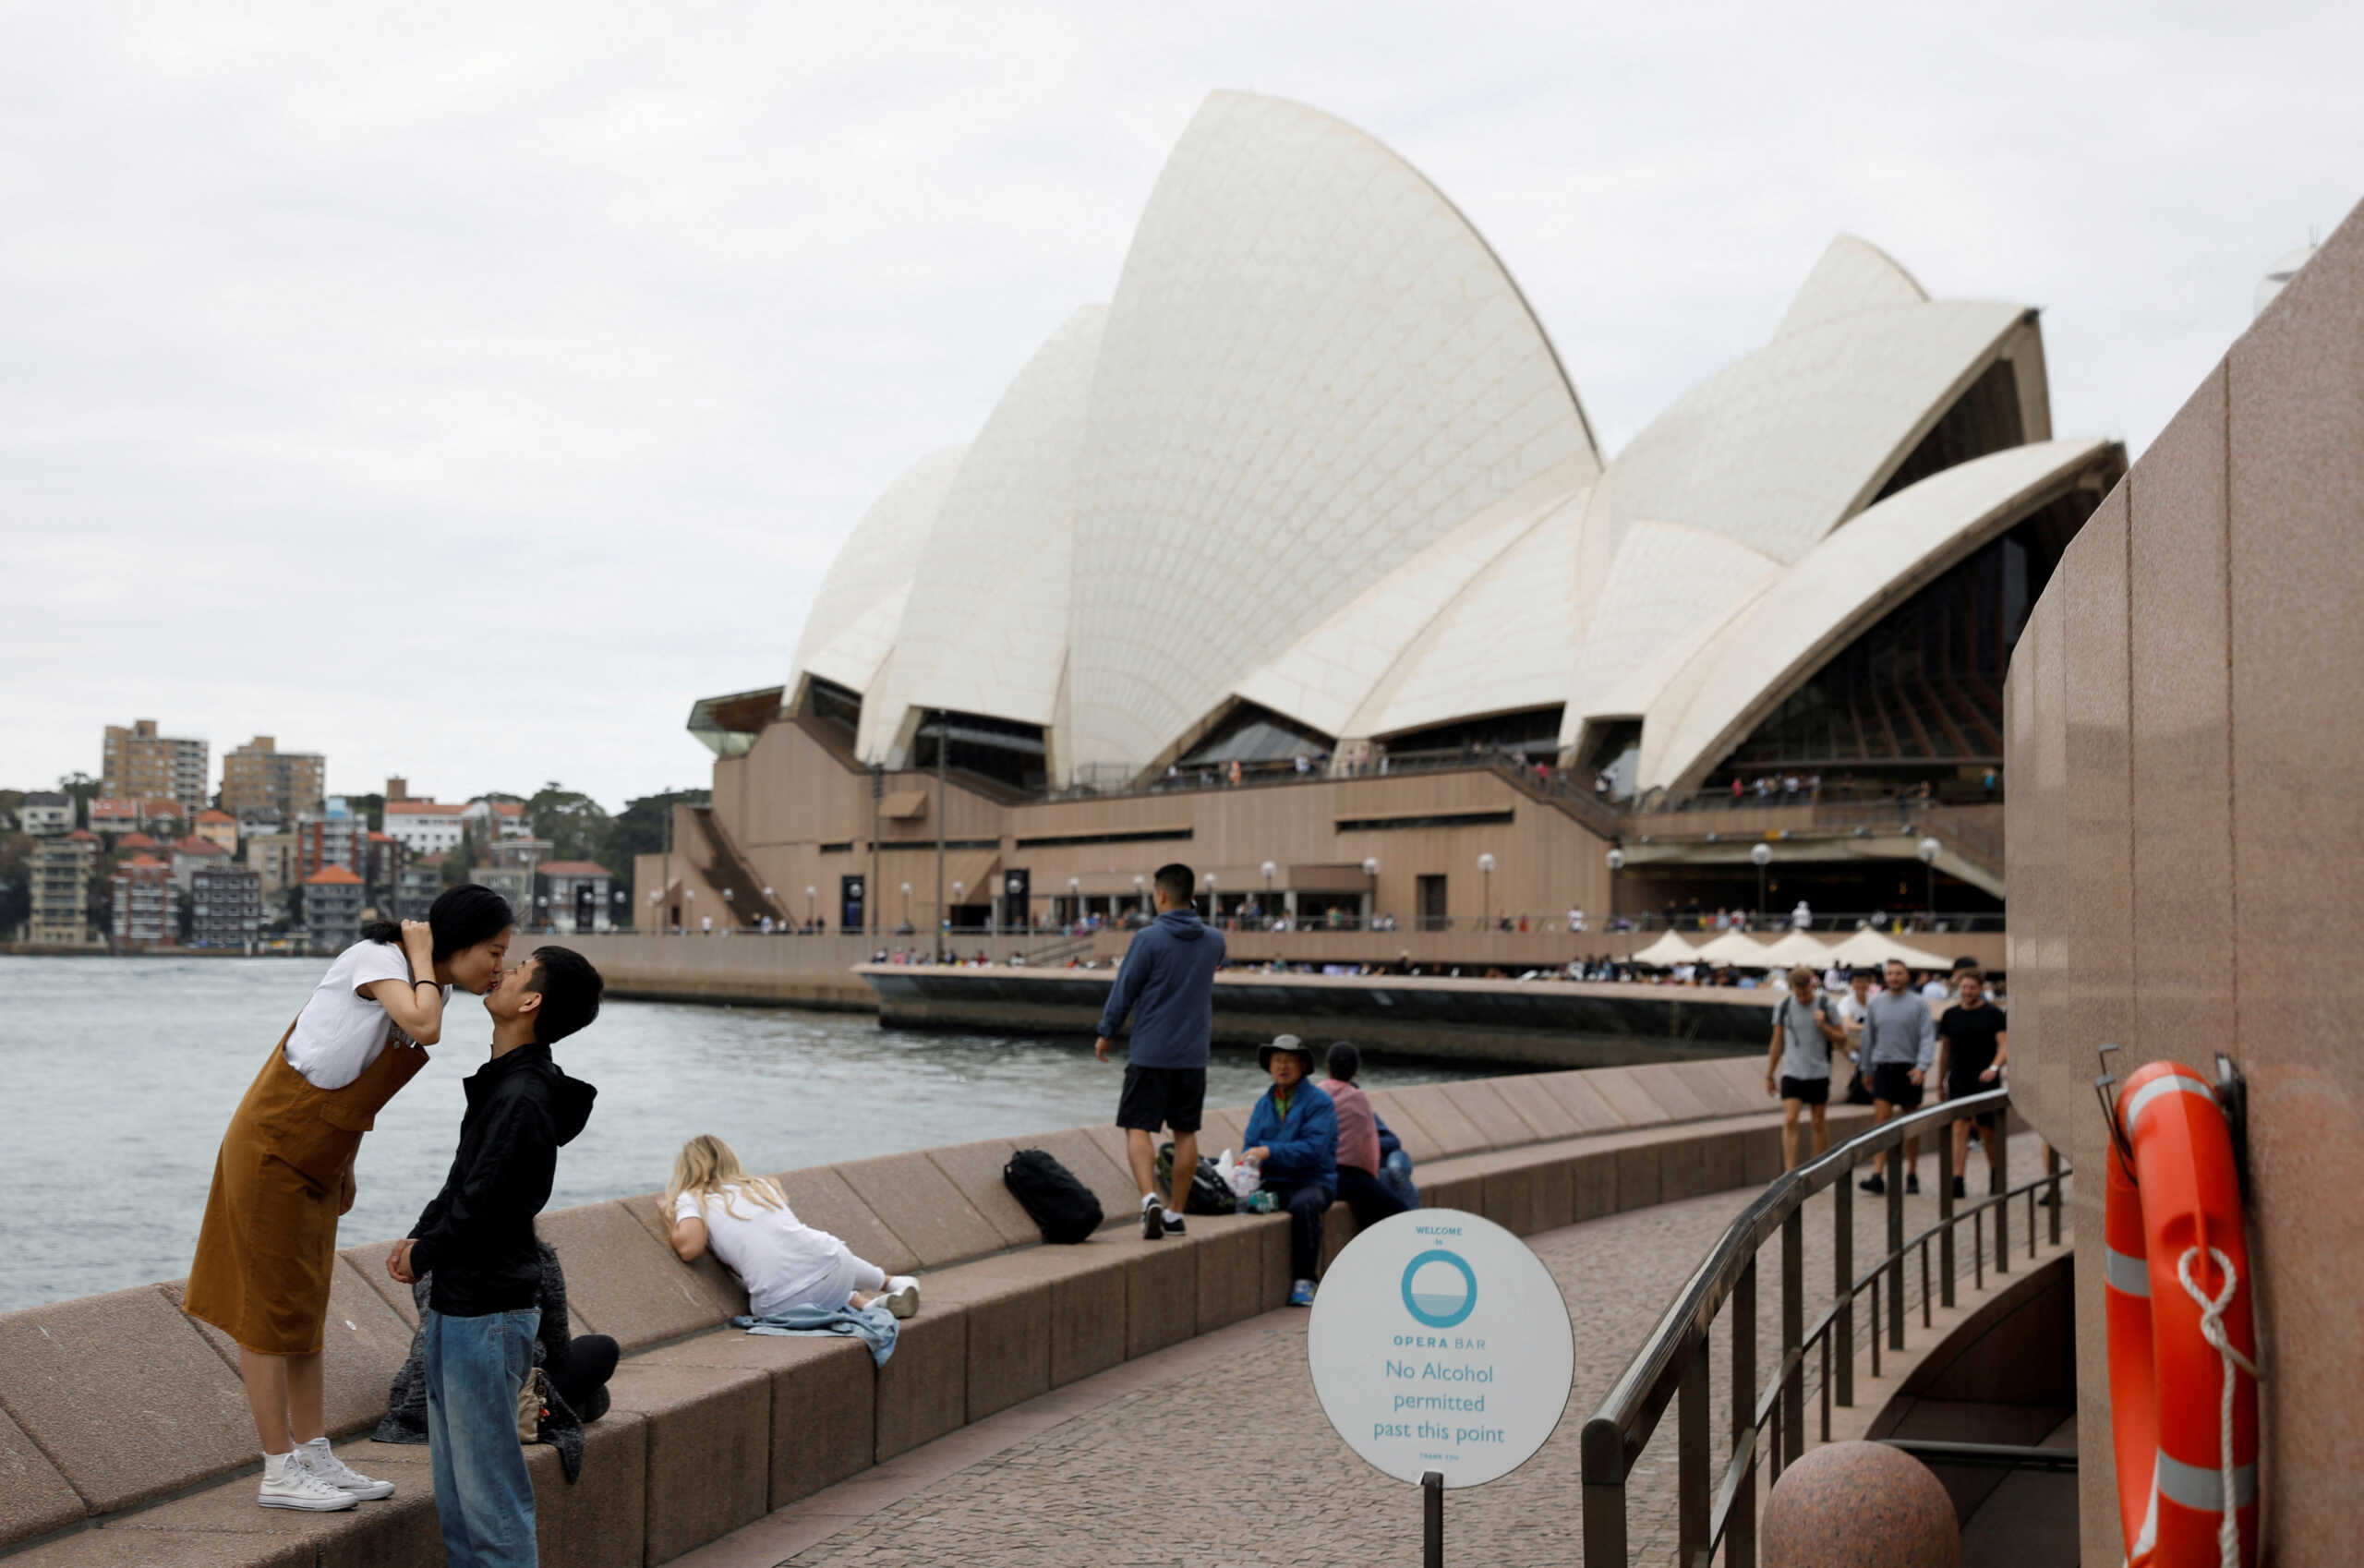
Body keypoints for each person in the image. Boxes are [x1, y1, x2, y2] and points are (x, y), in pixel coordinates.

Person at [183, 886, 515, 1513]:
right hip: (273, 1145)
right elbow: (424, 1030)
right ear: (459, 941)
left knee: (305, 1308)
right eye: (494, 951)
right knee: (267, 1310)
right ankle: (278, 1469)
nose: (498, 966)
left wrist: (346, 1158)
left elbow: (354, 1069)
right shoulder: (378, 961)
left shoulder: (426, 984)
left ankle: (312, 1452)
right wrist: (420, 956)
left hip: (319, 1152)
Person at [385, 947, 605, 1568]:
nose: (502, 972)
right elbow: (467, 1181)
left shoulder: (522, 1097)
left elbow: (489, 1201)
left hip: (487, 1310)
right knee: (459, 1493)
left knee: (488, 1497)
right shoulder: (508, 1083)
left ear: (530, 1001)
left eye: (518, 970)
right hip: (467, 1303)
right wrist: (423, 1236)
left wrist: (428, 1247)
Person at [376, 1238, 620, 1484]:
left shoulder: (431, 1256)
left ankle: (579, 1402)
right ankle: (581, 1404)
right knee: (601, 1351)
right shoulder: (534, 1254)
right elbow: (558, 1346)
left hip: (425, 1406)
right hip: (496, 1402)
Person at [1094, 862, 1226, 1241]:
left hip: (1151, 1052)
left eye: (1155, 893)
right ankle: (1177, 1214)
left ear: (1163, 895)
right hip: (1193, 1055)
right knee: (1185, 1133)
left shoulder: (1148, 939)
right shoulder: (1214, 940)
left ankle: (1150, 1197)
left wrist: (1107, 1032)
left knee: (1138, 1127)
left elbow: (1125, 991)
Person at [665, 1134, 919, 1317]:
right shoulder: (760, 1188)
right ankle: (886, 1289)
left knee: (798, 1280)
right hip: (835, 1266)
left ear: (687, 1169)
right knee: (814, 1257)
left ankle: (876, 1296)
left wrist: (673, 1215)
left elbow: (690, 1248)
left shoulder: (694, 1198)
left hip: (781, 1302)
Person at [1241, 1036, 1338, 1307]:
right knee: (1236, 1202)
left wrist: (1269, 1151)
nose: (1282, 1066)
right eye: (1277, 1060)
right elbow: (1250, 1145)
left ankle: (1306, 1280)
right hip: (1274, 1181)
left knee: (1304, 1206)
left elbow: (1314, 1149)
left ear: (1303, 1066)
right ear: (1269, 1066)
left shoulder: (1320, 1103)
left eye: (1289, 1060)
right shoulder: (1264, 1103)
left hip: (1313, 1181)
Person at [1858, 959, 1936, 1195]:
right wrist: (1866, 1069)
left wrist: (1922, 1067)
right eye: (1890, 973)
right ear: (1885, 977)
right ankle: (1877, 1174)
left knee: (1910, 1125)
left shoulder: (1919, 1004)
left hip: (1910, 1069)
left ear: (1907, 976)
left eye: (1898, 973)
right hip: (1883, 1068)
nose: (1893, 977)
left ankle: (1911, 1173)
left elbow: (1927, 1037)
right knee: (1880, 1123)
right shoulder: (1876, 1004)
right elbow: (1868, 1039)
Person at [1316, 1042, 1411, 1229]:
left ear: (1328, 1068)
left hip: (1318, 1175)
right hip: (1348, 1179)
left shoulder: (1315, 1094)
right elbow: (1368, 1148)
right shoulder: (1359, 1098)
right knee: (1399, 1211)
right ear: (1355, 1072)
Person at [1934, 969, 2008, 1199]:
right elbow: (1945, 1051)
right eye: (1964, 988)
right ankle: (1958, 1179)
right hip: (1959, 1079)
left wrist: (1994, 1068)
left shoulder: (1994, 1014)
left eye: (1972, 988)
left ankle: (1996, 1173)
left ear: (1980, 989)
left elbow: (2004, 1045)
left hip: (1985, 1079)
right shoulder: (1950, 1015)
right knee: (1959, 1127)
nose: (1967, 992)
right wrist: (1940, 1081)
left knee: (1988, 1130)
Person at [1764, 966, 1848, 1169]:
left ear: (1812, 986)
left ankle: (1818, 1169)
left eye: (1806, 993)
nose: (1802, 998)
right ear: (1792, 988)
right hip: (1792, 1072)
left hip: (1818, 1072)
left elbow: (1842, 1039)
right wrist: (1769, 1074)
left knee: (1818, 1122)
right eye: (1798, 993)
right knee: (1790, 1119)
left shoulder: (1826, 1005)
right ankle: (1789, 1173)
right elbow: (1777, 1042)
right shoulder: (1783, 1006)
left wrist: (1824, 1025)